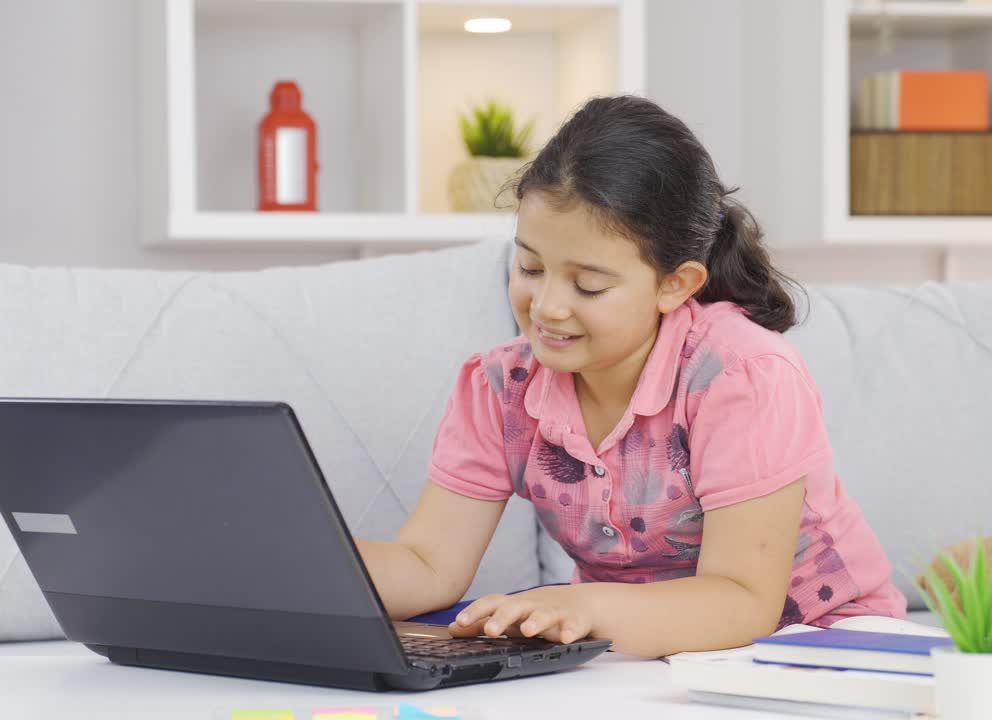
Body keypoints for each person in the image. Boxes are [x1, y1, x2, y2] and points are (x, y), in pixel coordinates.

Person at [356, 95, 905, 658]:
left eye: (588, 285)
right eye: (530, 267)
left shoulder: (741, 375)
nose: (546, 307)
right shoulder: (500, 387)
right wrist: (308, 564)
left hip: (821, 643)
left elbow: (743, 601)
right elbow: (429, 565)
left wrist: (584, 607)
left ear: (675, 285)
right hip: (637, 651)